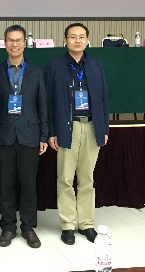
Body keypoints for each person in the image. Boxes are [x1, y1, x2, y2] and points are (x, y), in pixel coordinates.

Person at [44, 22, 109, 245]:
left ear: (88, 40)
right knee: (65, 178)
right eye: (73, 37)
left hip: (91, 126)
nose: (77, 40)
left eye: (81, 37)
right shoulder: (55, 66)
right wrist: (52, 131)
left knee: (87, 179)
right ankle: (68, 225)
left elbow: (103, 98)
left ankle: (86, 224)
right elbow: (48, 102)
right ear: (65, 40)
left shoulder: (96, 65)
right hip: (67, 128)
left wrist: (104, 128)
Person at [0, 25, 48, 249]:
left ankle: (28, 227)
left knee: (29, 185)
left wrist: (43, 136)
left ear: (25, 43)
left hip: (29, 136)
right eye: (11, 40)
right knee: (6, 185)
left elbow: (42, 106)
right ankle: (8, 227)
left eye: (18, 40)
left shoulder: (36, 73)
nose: (15, 44)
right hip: (3, 136)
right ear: (5, 44)